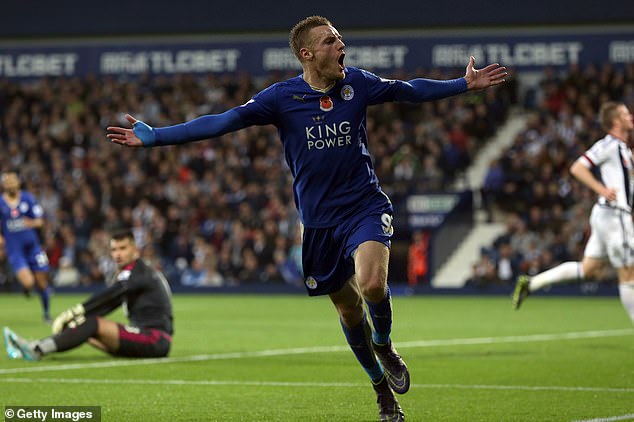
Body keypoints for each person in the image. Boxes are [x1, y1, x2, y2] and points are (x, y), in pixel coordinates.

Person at [106, 16, 506, 421]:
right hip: (318, 225)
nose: (341, 46)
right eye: (331, 41)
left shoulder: (358, 85)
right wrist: (158, 135)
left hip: (364, 206)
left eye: (340, 39)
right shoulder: (281, 98)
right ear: (307, 53)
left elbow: (408, 90)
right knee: (349, 312)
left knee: (371, 284)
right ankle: (380, 387)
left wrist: (462, 84)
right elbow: (222, 122)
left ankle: (384, 343)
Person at [513, 102, 634, 323]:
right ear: (615, 121)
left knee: (588, 269)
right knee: (628, 275)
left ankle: (532, 283)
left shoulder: (624, 149)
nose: (631, 116)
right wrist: (602, 190)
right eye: (626, 114)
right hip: (615, 216)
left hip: (607, 216)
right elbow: (578, 167)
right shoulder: (610, 144)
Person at [3, 229, 173, 361]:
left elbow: (110, 296)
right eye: (114, 249)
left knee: (92, 323)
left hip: (155, 339)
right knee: (85, 327)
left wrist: (74, 312)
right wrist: (78, 321)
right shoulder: (133, 273)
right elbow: (109, 304)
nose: (117, 254)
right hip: (145, 337)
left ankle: (36, 349)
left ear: (135, 251)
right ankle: (36, 347)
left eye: (123, 248)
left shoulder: (140, 273)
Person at [0, 170, 52, 322]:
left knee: (42, 283)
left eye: (12, 180)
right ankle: (27, 288)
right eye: (7, 181)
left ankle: (46, 314)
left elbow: (40, 221)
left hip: (33, 248)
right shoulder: (1, 203)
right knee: (29, 282)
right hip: (15, 250)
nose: (10, 183)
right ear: (3, 185)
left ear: (18, 182)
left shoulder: (28, 199)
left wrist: (31, 222)